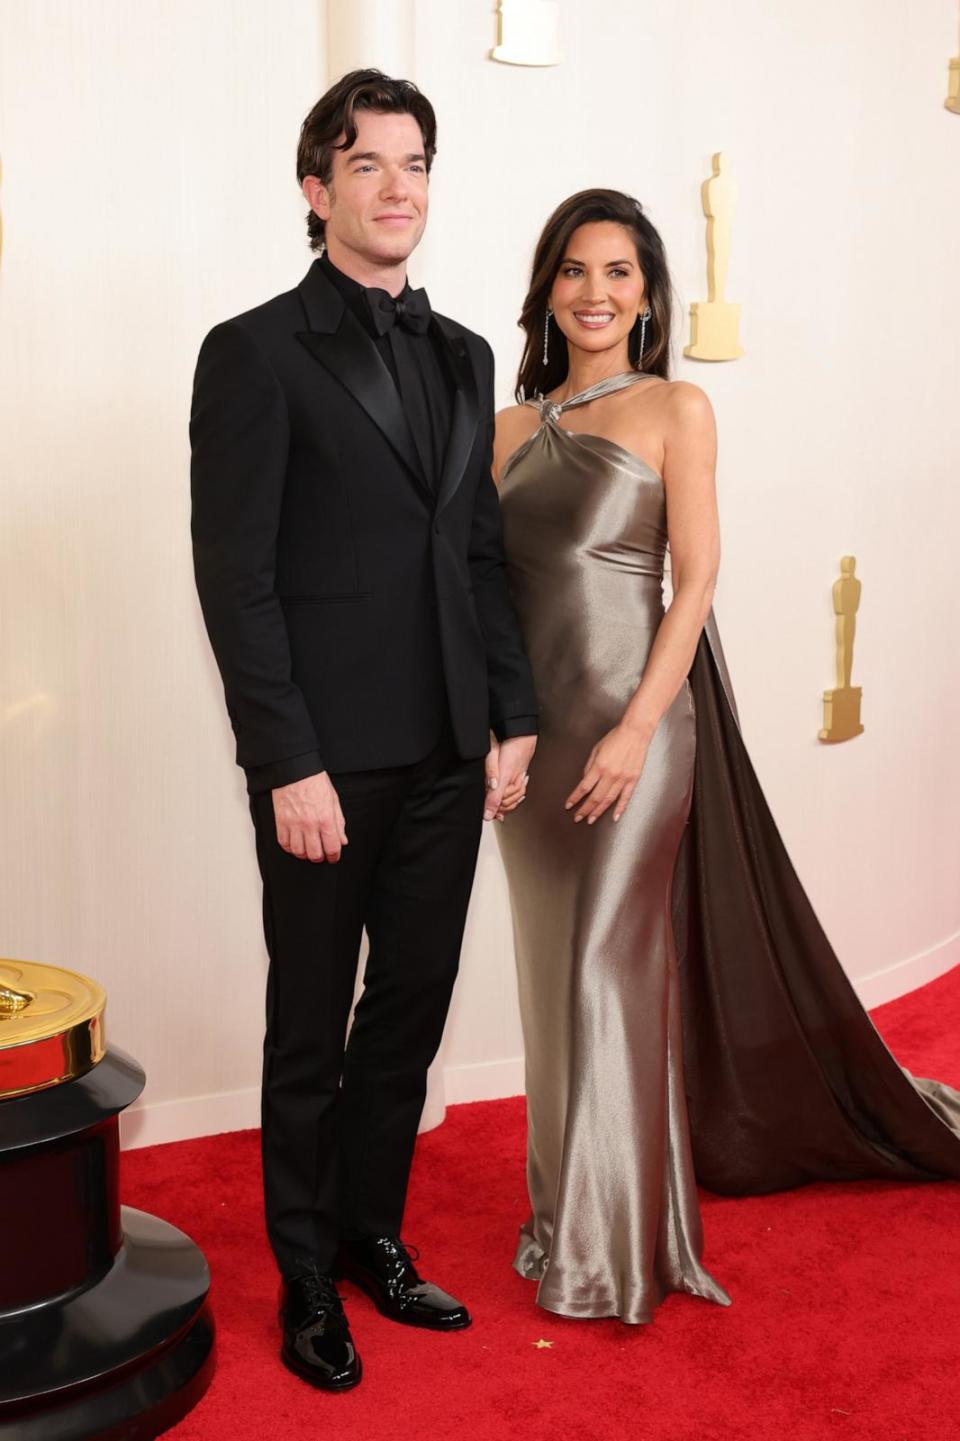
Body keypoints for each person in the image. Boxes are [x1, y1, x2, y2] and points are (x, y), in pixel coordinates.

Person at [492, 188, 960, 1325]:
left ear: (649, 293)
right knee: (552, 978)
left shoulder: (676, 409)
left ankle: (615, 1250)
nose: (595, 293)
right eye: (574, 270)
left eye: (619, 272)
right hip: (531, 746)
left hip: (635, 725)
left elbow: (694, 580)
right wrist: (495, 732)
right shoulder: (503, 426)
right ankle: (563, 1211)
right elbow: (481, 593)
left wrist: (639, 726)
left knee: (607, 969)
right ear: (546, 289)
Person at [190, 69, 537, 1390]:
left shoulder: (464, 355)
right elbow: (239, 580)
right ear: (315, 189)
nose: (399, 190)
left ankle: (369, 1234)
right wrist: (285, 760)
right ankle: (300, 1282)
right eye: (370, 165)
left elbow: (480, 555)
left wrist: (511, 717)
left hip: (454, 749)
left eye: (416, 165)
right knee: (309, 1025)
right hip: (326, 766)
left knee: (409, 1010)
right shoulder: (255, 352)